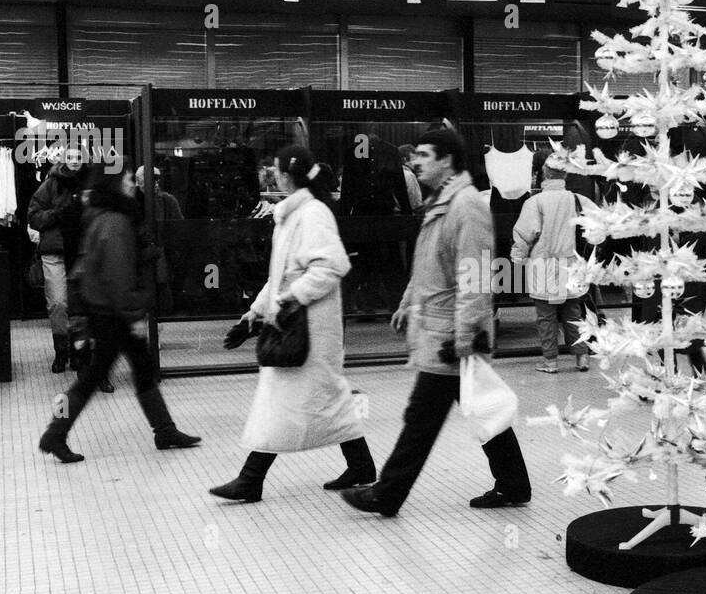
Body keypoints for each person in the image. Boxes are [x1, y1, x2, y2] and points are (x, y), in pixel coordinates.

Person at [342, 129, 532, 516]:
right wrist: (408, 300)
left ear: (447, 160)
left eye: (425, 155)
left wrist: (465, 335)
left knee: (420, 418)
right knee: (474, 409)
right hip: (442, 328)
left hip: (450, 335)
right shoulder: (443, 202)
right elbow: (432, 263)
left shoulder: (465, 206)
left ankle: (387, 494)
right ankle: (513, 484)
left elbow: (475, 276)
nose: (416, 161)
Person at [210, 146, 376, 502]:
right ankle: (361, 466)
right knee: (326, 400)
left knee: (284, 402)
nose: (269, 174)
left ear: (285, 175)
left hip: (308, 330)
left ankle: (250, 479)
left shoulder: (312, 214)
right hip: (296, 324)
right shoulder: (293, 215)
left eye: (273, 169)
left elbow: (332, 267)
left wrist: (290, 299)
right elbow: (281, 274)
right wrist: (254, 312)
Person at [38, 166, 201, 463]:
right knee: (94, 377)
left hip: (105, 309)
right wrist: (134, 313)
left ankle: (164, 429)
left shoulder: (102, 215)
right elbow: (117, 274)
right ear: (114, 185)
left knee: (138, 369)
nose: (131, 184)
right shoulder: (114, 221)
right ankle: (54, 434)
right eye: (126, 179)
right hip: (113, 313)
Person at [511, 163, 591, 373]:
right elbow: (599, 221)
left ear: (542, 176)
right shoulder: (577, 199)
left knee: (546, 317)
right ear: (564, 175)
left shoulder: (534, 202)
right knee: (573, 313)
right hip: (572, 265)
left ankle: (550, 361)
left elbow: (525, 233)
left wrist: (518, 256)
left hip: (543, 265)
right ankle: (581, 357)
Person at [28, 147, 89, 373]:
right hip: (55, 252)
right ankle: (61, 351)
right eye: (70, 157)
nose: (74, 161)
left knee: (82, 305)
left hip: (83, 253)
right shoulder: (51, 184)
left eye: (78, 157)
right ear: (63, 160)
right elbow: (33, 217)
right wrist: (57, 214)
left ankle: (78, 352)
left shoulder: (90, 183)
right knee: (58, 303)